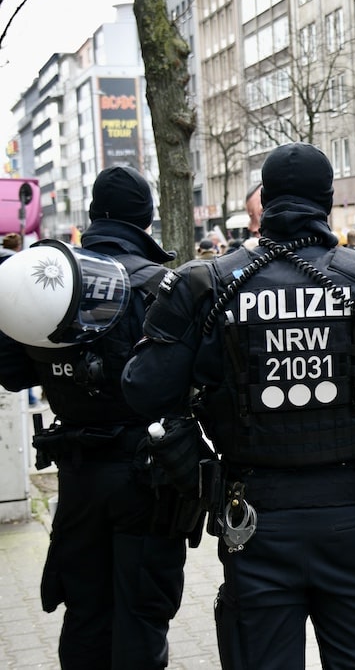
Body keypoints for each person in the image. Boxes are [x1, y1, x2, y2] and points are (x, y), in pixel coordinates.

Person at [121, 142, 355, 669]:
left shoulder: (205, 283)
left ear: (266, 201)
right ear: (328, 202)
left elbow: (143, 390)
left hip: (251, 519)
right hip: (351, 521)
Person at [0, 166, 186, 669]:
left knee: (85, 611)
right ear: (145, 218)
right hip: (149, 475)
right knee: (142, 613)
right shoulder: (161, 286)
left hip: (79, 475)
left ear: (92, 216)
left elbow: (13, 375)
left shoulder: (50, 282)